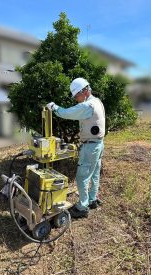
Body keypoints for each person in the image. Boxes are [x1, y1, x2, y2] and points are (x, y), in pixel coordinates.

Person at [47, 78, 105, 218]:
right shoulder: (97, 102)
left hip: (90, 146)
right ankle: (92, 200)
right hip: (98, 144)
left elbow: (66, 113)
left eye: (76, 96)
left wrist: (54, 107)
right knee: (94, 173)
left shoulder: (87, 106)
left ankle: (82, 207)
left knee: (82, 176)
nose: (75, 99)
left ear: (84, 91)